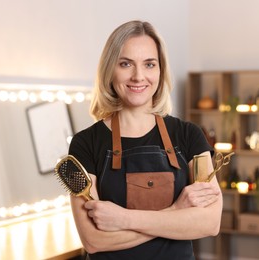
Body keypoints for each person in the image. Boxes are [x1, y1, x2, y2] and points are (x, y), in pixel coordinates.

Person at [68, 20, 222, 260]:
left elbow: (210, 222)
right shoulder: (85, 144)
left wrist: (123, 219)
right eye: (126, 64)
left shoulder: (190, 135)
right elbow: (94, 240)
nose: (138, 76)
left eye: (149, 64)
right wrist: (176, 212)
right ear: (110, 69)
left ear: (160, 71)